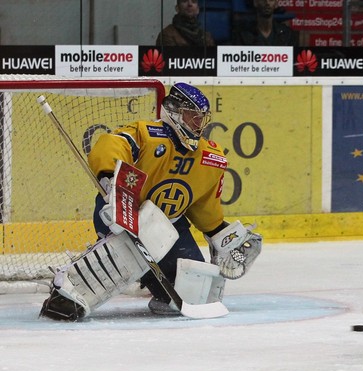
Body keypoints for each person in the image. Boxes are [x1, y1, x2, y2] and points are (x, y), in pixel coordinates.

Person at [40, 83, 262, 320]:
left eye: (200, 118)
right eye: (191, 116)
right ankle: (68, 289)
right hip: (124, 211)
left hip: (171, 227)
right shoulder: (147, 134)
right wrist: (109, 177)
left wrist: (220, 232)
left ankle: (154, 282)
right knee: (148, 238)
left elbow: (203, 204)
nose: (197, 124)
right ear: (173, 110)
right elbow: (112, 143)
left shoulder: (209, 157)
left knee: (197, 293)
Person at [232, 0, 298, 46]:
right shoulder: (242, 35)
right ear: (255, 2)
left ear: (276, 3)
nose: (267, 2)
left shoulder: (287, 35)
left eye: (271, 0)